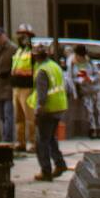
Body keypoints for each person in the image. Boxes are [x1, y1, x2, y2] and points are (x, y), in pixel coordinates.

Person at [33, 39, 71, 181]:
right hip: (59, 107)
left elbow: (41, 96)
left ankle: (46, 171)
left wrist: (38, 111)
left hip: (47, 109)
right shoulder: (54, 66)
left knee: (41, 141)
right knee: (51, 139)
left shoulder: (42, 71)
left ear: (36, 57)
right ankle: (60, 164)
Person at [11, 25, 37, 153]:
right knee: (18, 118)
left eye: (23, 34)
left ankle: (32, 143)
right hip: (16, 88)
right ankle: (20, 142)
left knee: (30, 118)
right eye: (19, 34)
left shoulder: (31, 51)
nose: (20, 37)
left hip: (27, 88)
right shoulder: (19, 51)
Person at [72, 45, 100, 138]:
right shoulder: (75, 65)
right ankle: (93, 128)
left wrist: (91, 79)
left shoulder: (90, 63)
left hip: (95, 89)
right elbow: (73, 78)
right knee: (89, 110)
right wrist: (80, 81)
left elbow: (98, 75)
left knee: (98, 109)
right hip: (85, 90)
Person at [0, 43, 16, 147]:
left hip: (9, 87)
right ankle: (6, 138)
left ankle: (7, 140)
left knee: (8, 115)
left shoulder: (13, 49)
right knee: (2, 116)